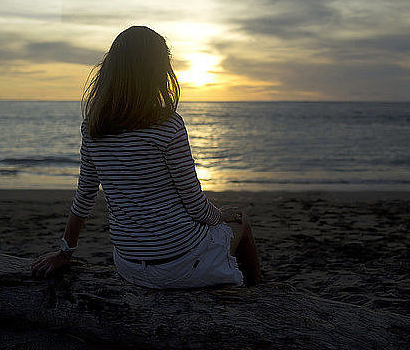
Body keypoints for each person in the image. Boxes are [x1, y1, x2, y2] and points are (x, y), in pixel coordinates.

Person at [31, 26, 261, 288]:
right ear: (157, 74)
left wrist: (65, 252)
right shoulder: (168, 126)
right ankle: (258, 295)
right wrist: (221, 215)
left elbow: (84, 196)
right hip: (182, 264)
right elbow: (196, 207)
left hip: (129, 266)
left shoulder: (93, 128)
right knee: (240, 219)